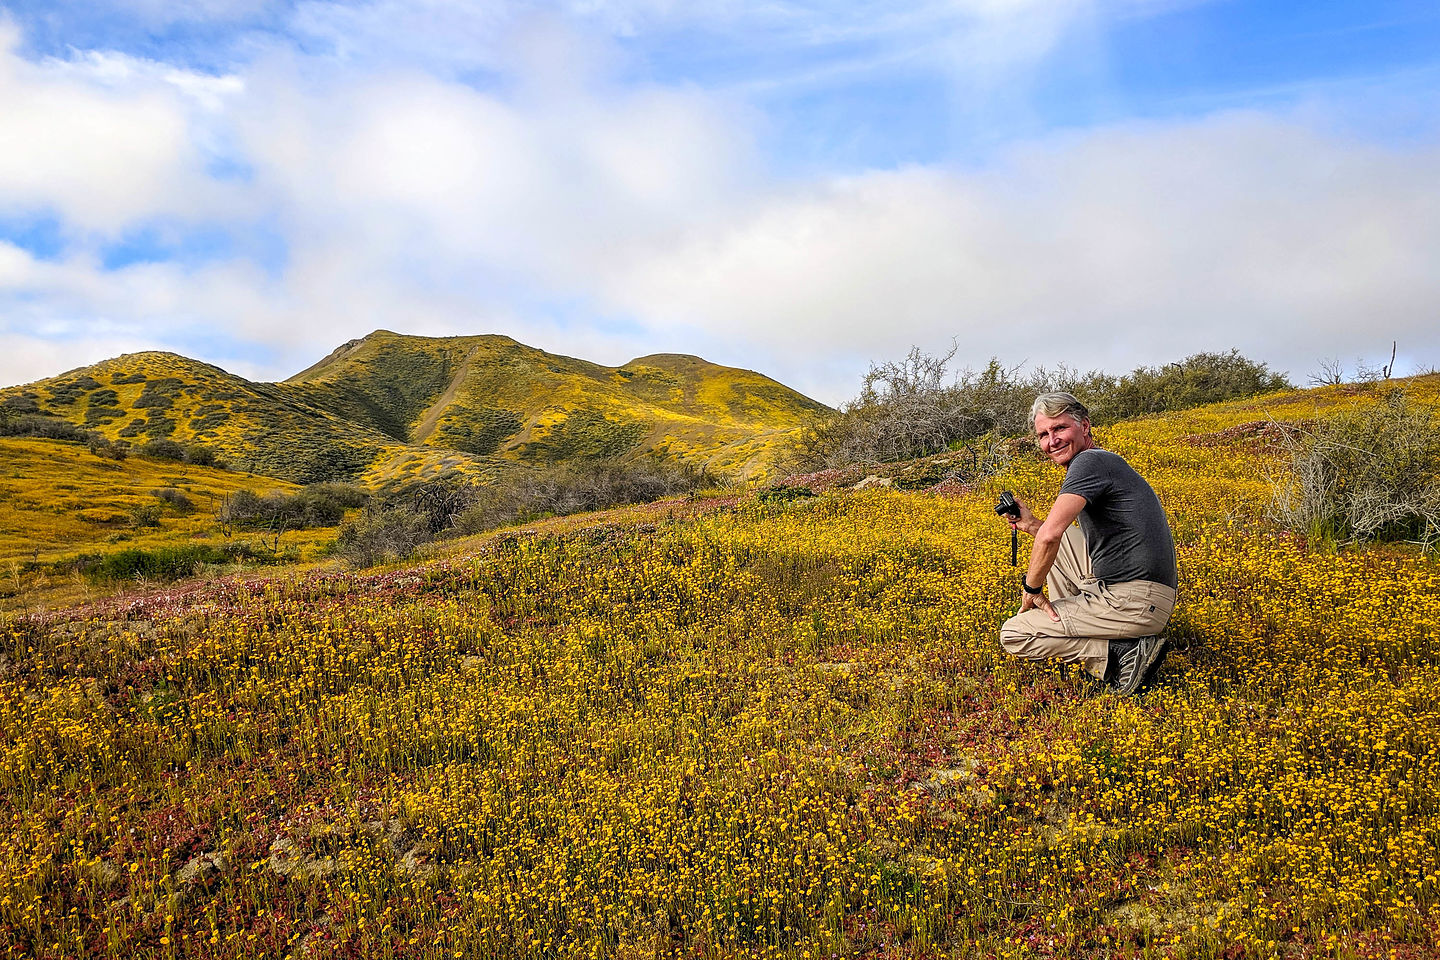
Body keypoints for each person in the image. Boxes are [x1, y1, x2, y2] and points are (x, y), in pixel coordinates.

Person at [998, 392, 1178, 694]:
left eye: (1060, 429)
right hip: (1145, 596)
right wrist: (1029, 524)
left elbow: (1050, 537)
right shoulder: (1099, 461)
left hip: (1135, 603)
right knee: (1055, 540)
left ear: (1084, 426)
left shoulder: (1089, 462)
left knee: (1014, 633)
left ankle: (1116, 654)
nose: (1051, 441)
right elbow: (1056, 536)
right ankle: (1103, 630)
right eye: (1043, 434)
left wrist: (1031, 591)